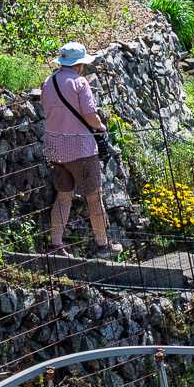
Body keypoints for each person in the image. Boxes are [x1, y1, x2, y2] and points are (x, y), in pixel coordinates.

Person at [40, 42, 120, 258]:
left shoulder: (48, 83)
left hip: (55, 150)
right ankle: (103, 245)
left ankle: (56, 244)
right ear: (79, 65)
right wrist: (101, 127)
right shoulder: (80, 83)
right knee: (94, 197)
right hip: (81, 150)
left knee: (63, 196)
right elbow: (90, 115)